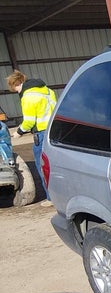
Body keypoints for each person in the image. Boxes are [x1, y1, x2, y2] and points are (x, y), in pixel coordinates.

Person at [6, 70, 57, 205]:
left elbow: (28, 121)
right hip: (54, 131)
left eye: (15, 88)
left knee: (42, 167)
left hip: (41, 133)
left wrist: (18, 132)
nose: (16, 91)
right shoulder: (47, 91)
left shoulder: (28, 96)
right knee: (56, 165)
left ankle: (51, 198)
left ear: (18, 83)